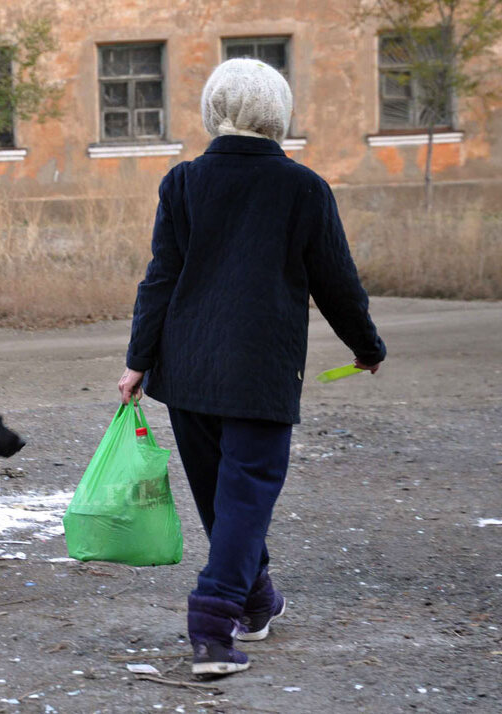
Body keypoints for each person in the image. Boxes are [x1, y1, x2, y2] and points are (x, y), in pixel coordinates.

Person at [118, 58, 386, 676]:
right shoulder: (304, 189)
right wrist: (366, 346)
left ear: (214, 112)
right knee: (243, 499)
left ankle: (257, 601)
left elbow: (160, 278)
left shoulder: (183, 181)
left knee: (223, 499)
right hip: (261, 373)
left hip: (186, 372)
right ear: (279, 114)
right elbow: (337, 283)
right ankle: (213, 628)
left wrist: (139, 360)